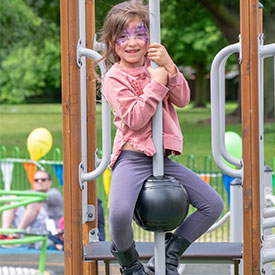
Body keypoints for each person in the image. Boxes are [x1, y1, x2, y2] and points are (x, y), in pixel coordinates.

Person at [100, 1, 224, 274]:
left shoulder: (157, 66)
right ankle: (129, 263)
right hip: (132, 158)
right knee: (119, 215)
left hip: (161, 159)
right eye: (123, 36)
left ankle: (169, 253)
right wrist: (156, 83)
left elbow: (182, 99)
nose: (132, 43)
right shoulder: (114, 77)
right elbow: (134, 118)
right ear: (111, 41)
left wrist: (170, 68)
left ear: (149, 38)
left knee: (212, 205)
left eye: (139, 34)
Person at [1, 170, 64, 237]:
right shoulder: (33, 192)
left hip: (48, 230)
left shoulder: (55, 194)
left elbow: (37, 197)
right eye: (36, 180)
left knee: (34, 204)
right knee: (11, 202)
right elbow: (17, 196)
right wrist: (12, 198)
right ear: (33, 183)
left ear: (50, 182)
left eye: (43, 180)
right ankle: (4, 234)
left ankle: (17, 233)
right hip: (30, 226)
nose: (39, 182)